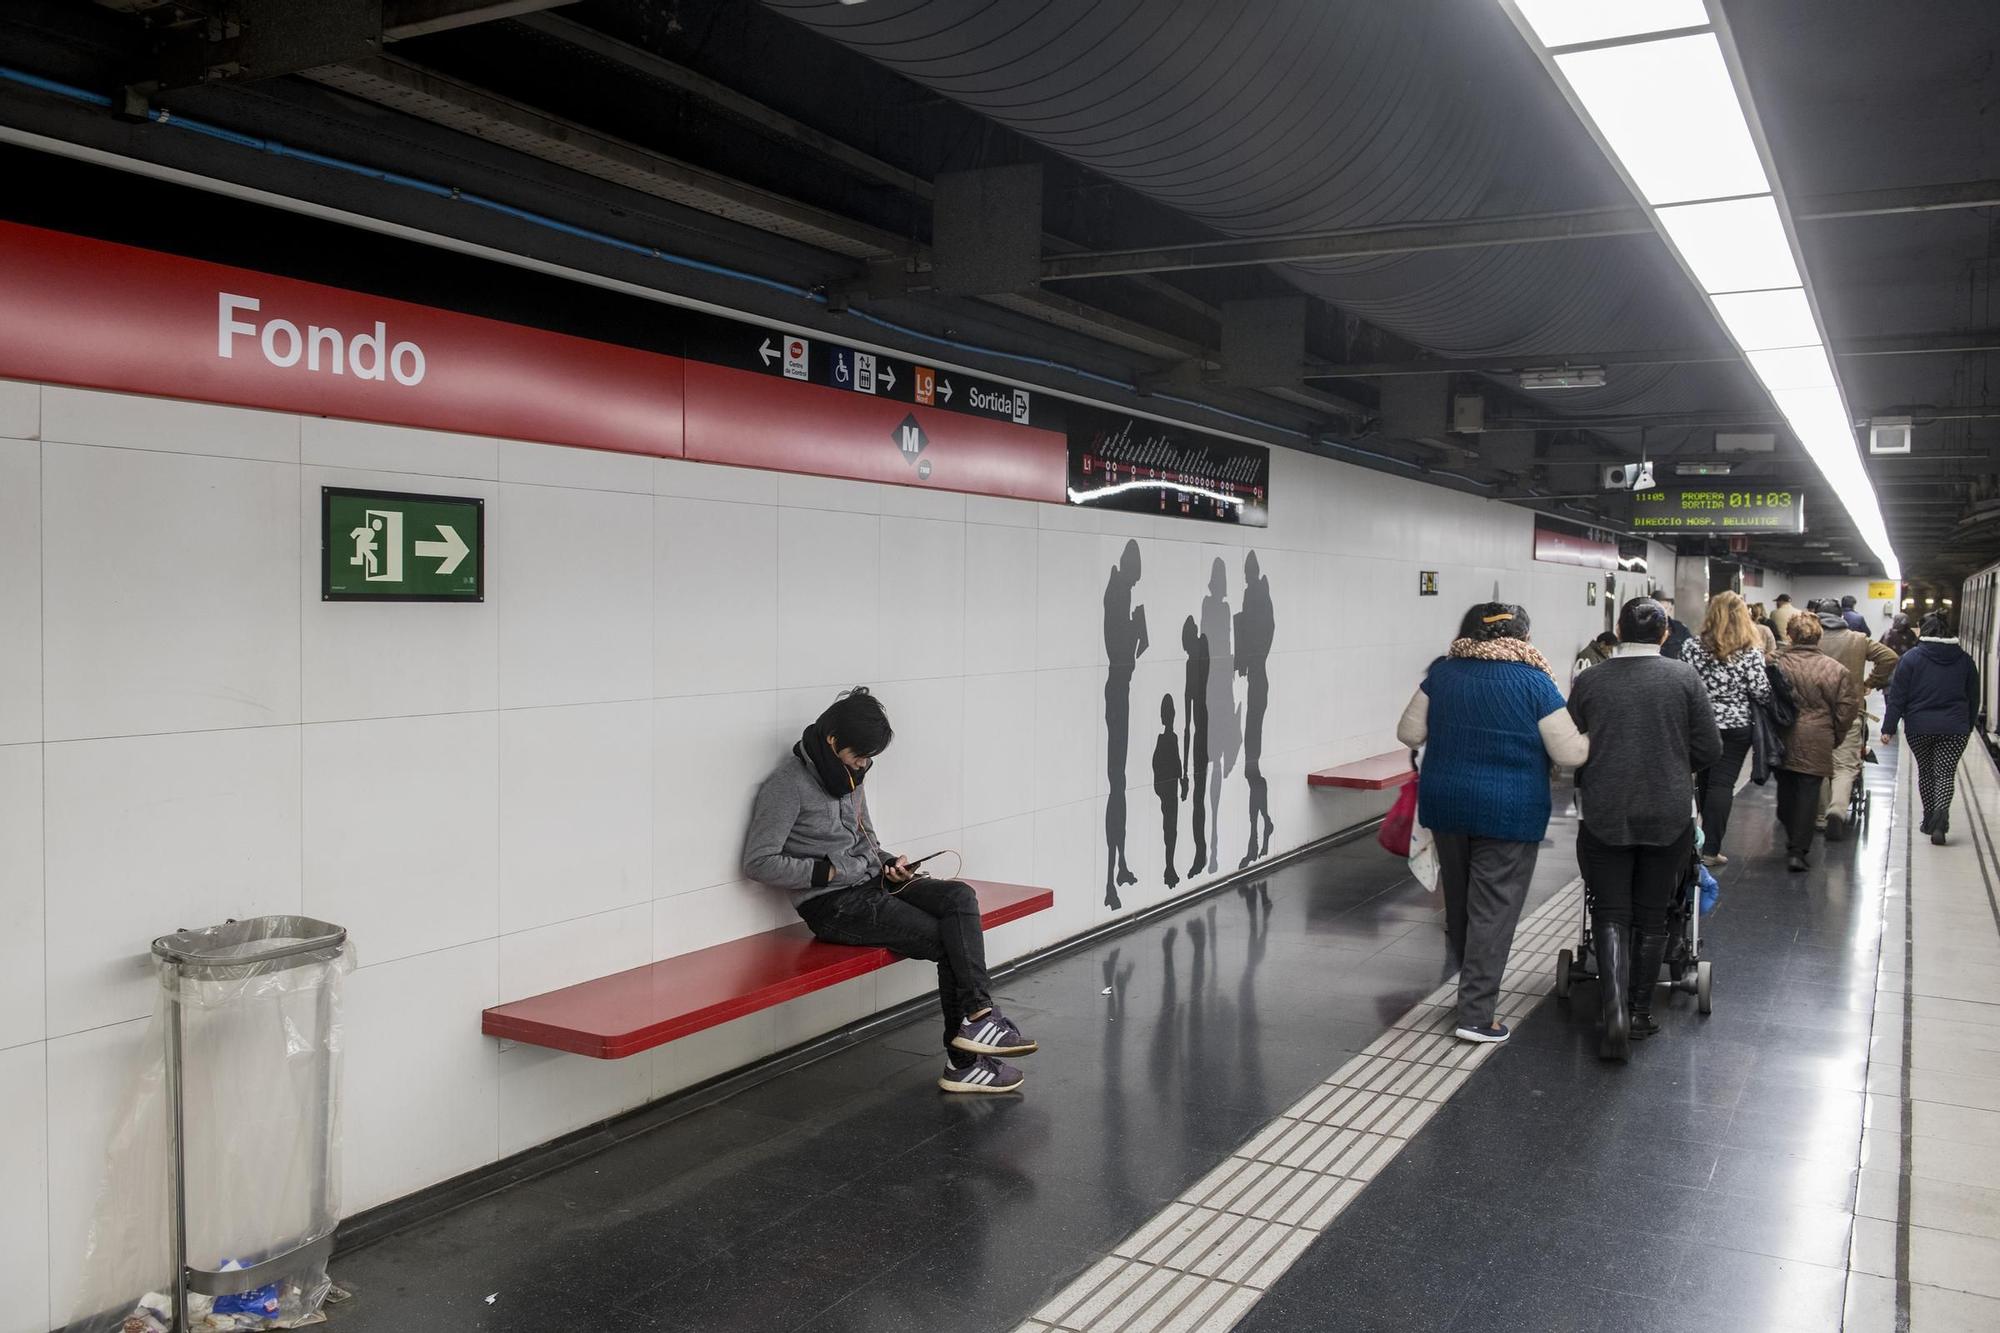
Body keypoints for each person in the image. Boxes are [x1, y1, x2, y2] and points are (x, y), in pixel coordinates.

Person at [743, 688, 1038, 1094]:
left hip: (873, 883)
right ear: (832, 742)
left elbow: (866, 839)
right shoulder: (786, 786)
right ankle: (965, 1061)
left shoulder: (848, 776)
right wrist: (829, 871)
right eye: (859, 756)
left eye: (869, 758)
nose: (864, 765)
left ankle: (979, 1016)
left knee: (959, 897)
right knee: (946, 940)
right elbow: (758, 862)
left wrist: (887, 863)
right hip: (834, 906)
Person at [1394, 603, 1587, 1046]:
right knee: (1494, 909)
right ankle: (1477, 1014)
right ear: (1523, 636)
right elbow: (1570, 754)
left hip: (1447, 804)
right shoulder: (1535, 682)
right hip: (1509, 810)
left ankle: (1468, 992)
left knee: (1461, 903)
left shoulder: (1443, 674)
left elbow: (1408, 734)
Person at [1568, 598, 1722, 1060]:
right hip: (1667, 811)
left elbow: (1573, 743)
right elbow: (1710, 747)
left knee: (1610, 910)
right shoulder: (1683, 678)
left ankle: (1612, 1010)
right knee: (1653, 913)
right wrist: (1676, 768)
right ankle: (1637, 1011)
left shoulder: (1591, 680)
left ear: (1618, 630)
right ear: (1664, 634)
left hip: (1605, 810)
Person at [1680, 591, 1771, 869]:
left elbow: (1682, 683)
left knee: (1704, 781)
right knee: (1723, 784)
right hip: (1736, 726)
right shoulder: (1750, 651)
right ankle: (1710, 850)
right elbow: (1761, 692)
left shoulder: (1691, 647)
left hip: (1700, 724)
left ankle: (1695, 841)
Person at [1882, 612, 1982, 845]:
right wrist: (1967, 725)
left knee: (1926, 773)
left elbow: (1898, 697)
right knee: (1945, 774)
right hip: (1954, 729)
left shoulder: (1910, 659)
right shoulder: (1965, 660)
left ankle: (1928, 820)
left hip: (1919, 728)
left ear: (1923, 632)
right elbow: (1974, 698)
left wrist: (1888, 727)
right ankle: (1940, 822)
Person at [1771, 617, 1858, 872]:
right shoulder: (1836, 670)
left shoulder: (1774, 663)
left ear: (1790, 636)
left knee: (1786, 793)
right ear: (1818, 637)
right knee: (1809, 795)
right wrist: (1836, 735)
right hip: (1818, 736)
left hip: (1782, 735)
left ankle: (1792, 836)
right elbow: (1846, 710)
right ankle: (1798, 850)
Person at [1817, 609, 1899, 840]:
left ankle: (1821, 817)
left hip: (1816, 712)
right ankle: (1838, 808)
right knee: (1845, 766)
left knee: (1820, 764)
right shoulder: (1858, 639)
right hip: (1850, 709)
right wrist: (1869, 682)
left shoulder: (1811, 639)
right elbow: (1890, 657)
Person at [1152, 694, 1185, 887]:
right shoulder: (1167, 739)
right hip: (1168, 790)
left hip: (1169, 789)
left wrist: (1179, 783)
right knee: (1170, 828)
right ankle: (1169, 867)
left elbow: (1175, 762)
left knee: (1171, 828)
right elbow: (1160, 763)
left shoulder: (1171, 737)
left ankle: (1170, 867)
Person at [1657, 595, 1694, 659]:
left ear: (1670, 609)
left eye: (1665, 608)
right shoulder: (1645, 628)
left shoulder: (1680, 628)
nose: (1662, 612)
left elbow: (1689, 649)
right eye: (1659, 608)